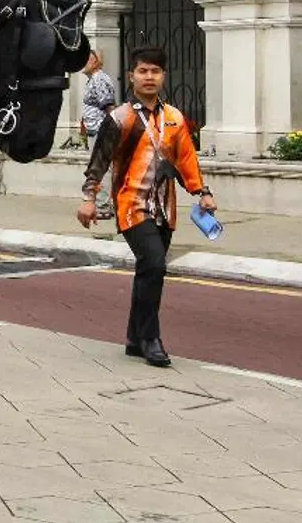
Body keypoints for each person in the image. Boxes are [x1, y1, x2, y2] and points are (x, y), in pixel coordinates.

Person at [77, 46, 216, 368]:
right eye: (143, 71)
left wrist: (202, 192)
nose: (149, 77)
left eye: (155, 71)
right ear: (132, 77)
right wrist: (88, 198)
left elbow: (186, 161)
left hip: (165, 207)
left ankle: (134, 339)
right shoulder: (120, 118)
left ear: (163, 76)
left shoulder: (174, 118)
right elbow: (98, 162)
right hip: (131, 203)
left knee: (148, 271)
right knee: (154, 264)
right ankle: (151, 339)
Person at [79, 50, 118, 220]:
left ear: (97, 62)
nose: (83, 62)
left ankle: (103, 206)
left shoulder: (99, 79)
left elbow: (108, 105)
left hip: (102, 130)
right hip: (95, 129)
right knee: (102, 167)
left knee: (101, 168)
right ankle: (106, 203)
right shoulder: (93, 80)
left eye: (88, 59)